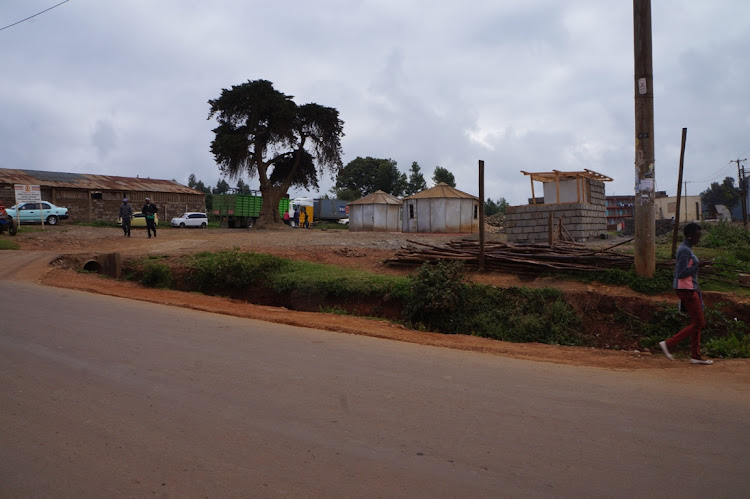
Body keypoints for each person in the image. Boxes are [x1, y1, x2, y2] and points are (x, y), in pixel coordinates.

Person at [659, 222, 713, 365]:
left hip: (690, 288)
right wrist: (698, 265)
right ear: (689, 235)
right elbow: (681, 273)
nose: (699, 238)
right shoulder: (684, 250)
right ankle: (668, 344)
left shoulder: (687, 249)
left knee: (696, 322)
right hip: (686, 290)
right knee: (700, 322)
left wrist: (698, 265)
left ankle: (695, 356)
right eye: (697, 235)